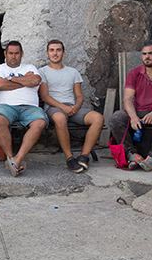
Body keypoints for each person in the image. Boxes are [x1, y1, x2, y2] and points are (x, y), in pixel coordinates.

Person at [109, 40, 152, 171]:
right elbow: (128, 99)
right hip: (138, 111)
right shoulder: (134, 73)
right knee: (117, 117)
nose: (147, 57)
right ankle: (132, 155)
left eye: (151, 53)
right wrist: (134, 117)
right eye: (144, 54)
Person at [39, 40, 104, 173]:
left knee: (98, 118)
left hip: (73, 108)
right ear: (47, 53)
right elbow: (45, 96)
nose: (55, 53)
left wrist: (76, 106)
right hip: (53, 108)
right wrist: (63, 107)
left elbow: (79, 95)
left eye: (58, 50)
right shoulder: (42, 72)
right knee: (60, 119)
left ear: (63, 53)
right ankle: (69, 158)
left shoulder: (73, 72)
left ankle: (84, 156)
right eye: (52, 50)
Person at [0, 40, 48, 177]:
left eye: (17, 53)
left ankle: (17, 159)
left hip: (29, 107)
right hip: (5, 106)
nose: (13, 56)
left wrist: (10, 80)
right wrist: (23, 81)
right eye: (10, 53)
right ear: (5, 54)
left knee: (40, 122)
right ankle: (10, 157)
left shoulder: (30, 67)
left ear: (21, 54)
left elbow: (35, 81)